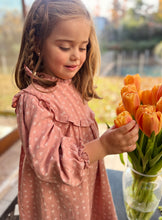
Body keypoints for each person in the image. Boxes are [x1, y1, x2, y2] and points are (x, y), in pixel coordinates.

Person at [12, 0, 139, 219]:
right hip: (58, 204)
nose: (77, 55)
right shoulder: (33, 101)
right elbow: (50, 162)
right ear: (38, 43)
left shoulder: (71, 87)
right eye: (65, 46)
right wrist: (103, 145)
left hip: (83, 194)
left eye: (83, 46)